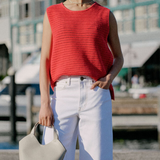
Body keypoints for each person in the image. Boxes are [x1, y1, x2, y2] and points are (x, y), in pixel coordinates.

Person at [39, 0, 124, 159]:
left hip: (96, 93)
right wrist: (45, 104)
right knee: (52, 155)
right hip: (62, 94)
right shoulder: (52, 13)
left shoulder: (105, 15)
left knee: (98, 156)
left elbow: (119, 58)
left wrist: (109, 78)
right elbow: (45, 60)